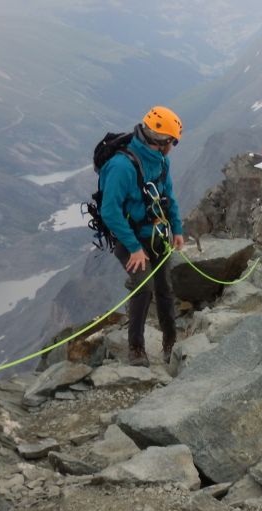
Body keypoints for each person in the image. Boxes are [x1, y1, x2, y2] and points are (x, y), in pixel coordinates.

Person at [99, 106, 185, 367]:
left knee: (165, 289)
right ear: (161, 140)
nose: (172, 147)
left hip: (156, 236)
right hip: (130, 240)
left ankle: (171, 342)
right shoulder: (121, 166)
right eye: (172, 142)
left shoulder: (161, 162)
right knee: (143, 287)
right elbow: (109, 211)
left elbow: (168, 197)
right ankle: (136, 348)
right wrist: (135, 247)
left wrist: (177, 229)